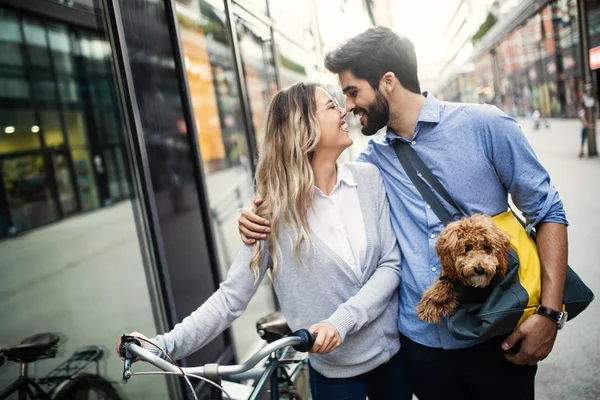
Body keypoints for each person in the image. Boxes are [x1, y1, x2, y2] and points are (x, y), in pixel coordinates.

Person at [238, 27, 569, 400]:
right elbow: (312, 183)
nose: (347, 106)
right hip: (420, 347)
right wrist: (257, 210)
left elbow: (548, 211)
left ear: (388, 82)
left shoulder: (486, 125)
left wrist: (550, 314)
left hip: (498, 334)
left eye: (352, 91)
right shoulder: (370, 163)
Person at [116, 82, 411, 400]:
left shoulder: (368, 179)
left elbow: (390, 265)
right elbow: (229, 300)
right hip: (334, 378)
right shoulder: (270, 215)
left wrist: (341, 321)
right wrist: (161, 344)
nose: (344, 111)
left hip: (392, 362)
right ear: (304, 128)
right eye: (330, 107)